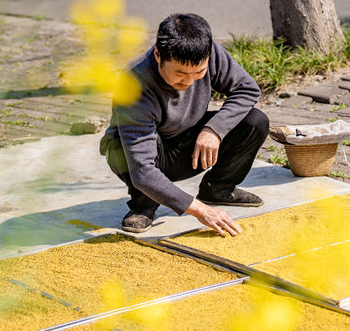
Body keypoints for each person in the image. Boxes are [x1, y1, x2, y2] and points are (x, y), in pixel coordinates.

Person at [100, 12, 269, 236]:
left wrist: (213, 130)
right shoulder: (134, 84)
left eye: (199, 72)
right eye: (180, 74)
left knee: (254, 121)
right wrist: (200, 211)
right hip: (144, 156)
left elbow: (247, 89)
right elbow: (142, 170)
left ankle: (218, 188)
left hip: (189, 146)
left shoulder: (207, 51)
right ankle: (144, 204)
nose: (188, 82)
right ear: (159, 55)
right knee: (124, 148)